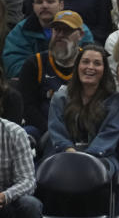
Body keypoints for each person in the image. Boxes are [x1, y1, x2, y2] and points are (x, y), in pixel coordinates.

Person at [45, 43, 119, 173]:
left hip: (101, 156)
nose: (90, 67)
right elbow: (56, 130)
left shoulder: (115, 100)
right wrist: (70, 152)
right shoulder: (60, 97)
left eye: (97, 63)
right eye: (85, 62)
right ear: (77, 66)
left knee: (95, 172)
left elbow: (110, 133)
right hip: (64, 153)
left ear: (104, 69)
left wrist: (87, 157)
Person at [18, 9, 85, 138]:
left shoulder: (90, 62)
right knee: (27, 133)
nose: (60, 34)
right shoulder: (35, 63)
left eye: (66, 30)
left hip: (82, 128)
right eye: (56, 30)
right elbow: (28, 106)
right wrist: (53, 132)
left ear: (80, 34)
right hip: (44, 128)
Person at [3, 0, 93, 76]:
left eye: (50, 1)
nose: (44, 6)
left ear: (61, 5)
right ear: (33, 6)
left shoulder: (78, 28)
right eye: (39, 2)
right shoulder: (21, 31)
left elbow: (88, 61)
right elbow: (14, 67)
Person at [0, 116, 45, 218]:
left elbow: (28, 181)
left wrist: (5, 196)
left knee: (31, 205)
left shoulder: (15, 133)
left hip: (9, 200)